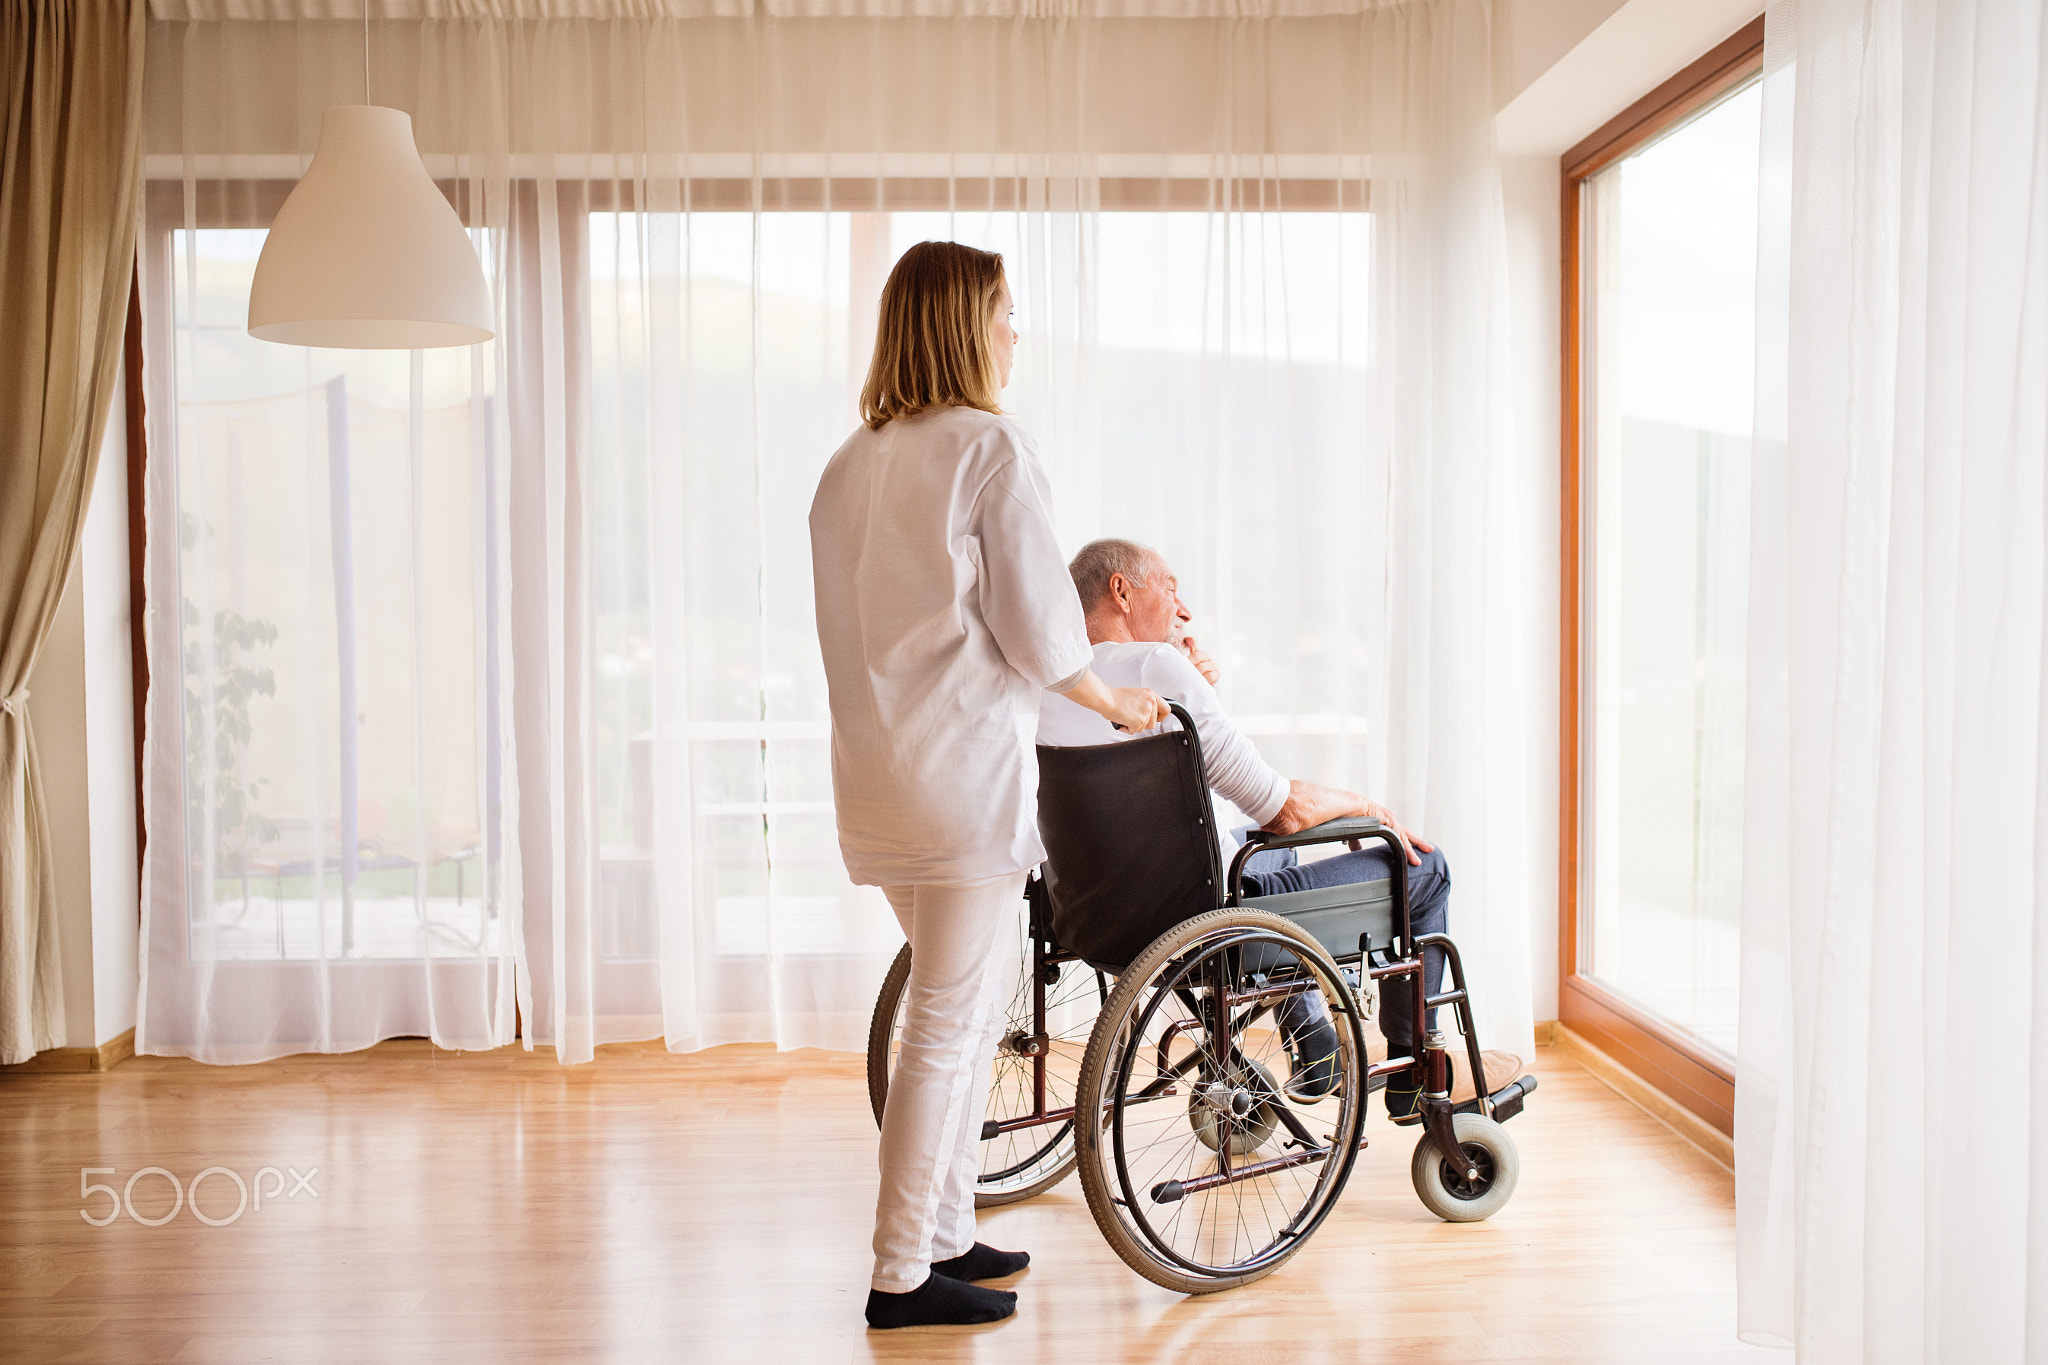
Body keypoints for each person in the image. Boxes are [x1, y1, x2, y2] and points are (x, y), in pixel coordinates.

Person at [811, 246, 1168, 1330]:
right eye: (1006, 313)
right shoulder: (990, 448)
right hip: (956, 783)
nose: (1016, 332)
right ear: (967, 326)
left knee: (951, 1013)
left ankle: (944, 1230)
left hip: (875, 778)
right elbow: (1039, 629)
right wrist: (1118, 705)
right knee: (946, 1025)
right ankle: (898, 1275)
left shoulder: (848, 464)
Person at [1037, 538, 1514, 1119]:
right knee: (1425, 866)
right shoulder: (1157, 670)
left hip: (1095, 917)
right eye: (1170, 588)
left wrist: (1199, 692)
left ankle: (1315, 1048)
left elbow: (1184, 804)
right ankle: (1418, 1073)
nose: (1183, 610)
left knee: (1275, 856)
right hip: (1205, 923)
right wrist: (1369, 809)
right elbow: (1280, 810)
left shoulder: (1043, 683)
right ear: (1121, 590)